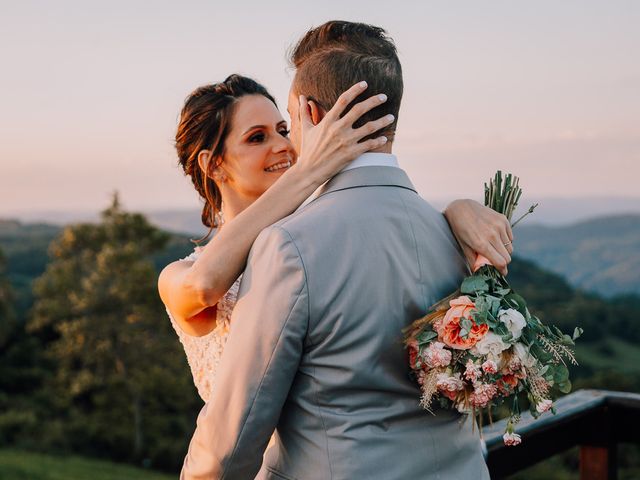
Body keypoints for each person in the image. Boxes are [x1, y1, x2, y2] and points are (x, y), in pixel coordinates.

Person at [178, 22, 509, 480]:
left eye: (286, 125)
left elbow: (226, 450)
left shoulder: (290, 247)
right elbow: (201, 283)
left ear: (312, 115)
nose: (284, 144)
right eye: (258, 137)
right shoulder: (454, 237)